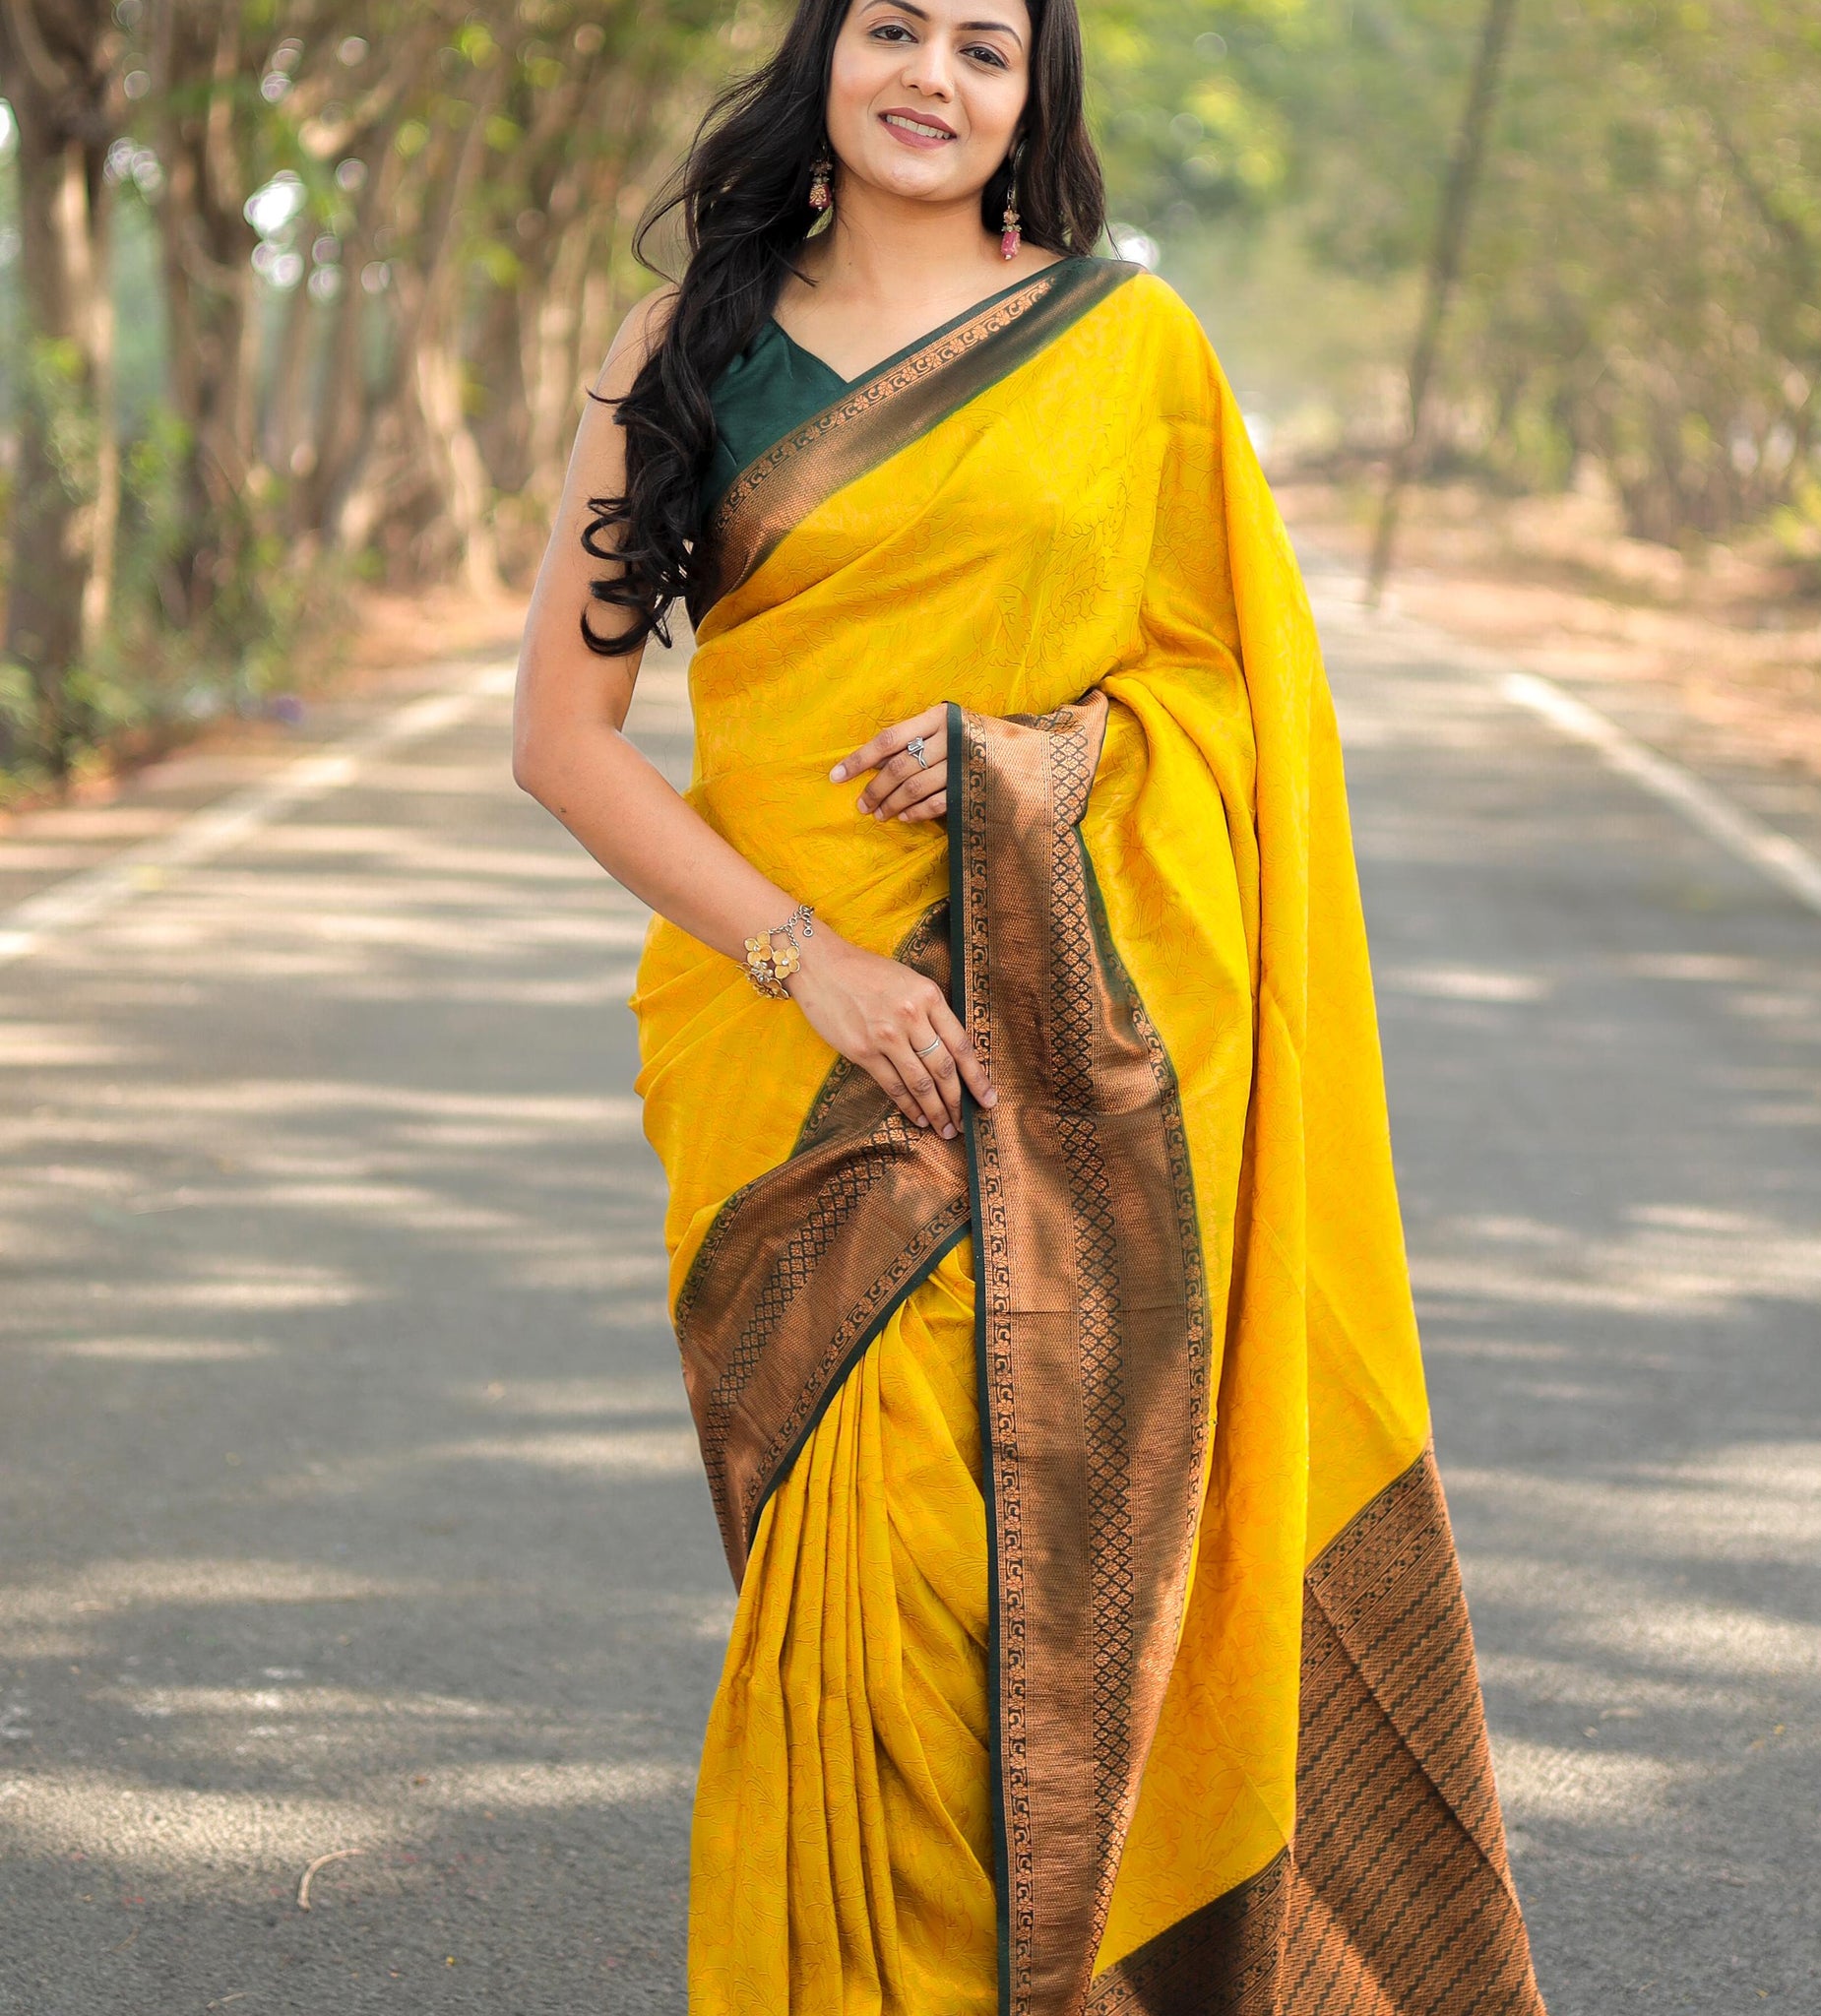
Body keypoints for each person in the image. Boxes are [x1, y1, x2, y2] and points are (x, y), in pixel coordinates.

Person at [512, 0, 1547, 2008]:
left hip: (1062, 1053)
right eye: (891, 25)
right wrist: (811, 973)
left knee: (1058, 1605)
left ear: (1030, 95)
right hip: (791, 1059)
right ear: (820, 55)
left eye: (984, 45)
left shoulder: (1124, 352)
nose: (932, 74)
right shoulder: (687, 351)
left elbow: (1238, 710)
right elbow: (565, 740)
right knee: (885, 1605)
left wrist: (1043, 764)